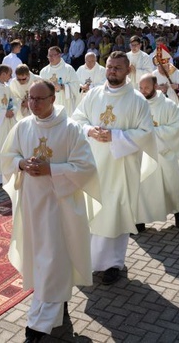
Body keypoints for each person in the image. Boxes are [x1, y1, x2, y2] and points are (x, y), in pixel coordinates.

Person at [2, 79, 98, 342]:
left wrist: (51, 170)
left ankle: (38, 325)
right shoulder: (23, 126)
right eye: (30, 98)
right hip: (32, 206)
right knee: (42, 258)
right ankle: (58, 305)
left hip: (61, 207)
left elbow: (86, 168)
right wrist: (21, 164)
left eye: (39, 99)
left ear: (53, 99)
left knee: (54, 258)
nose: (33, 103)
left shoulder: (70, 129)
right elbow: (7, 157)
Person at [71, 51, 158, 284]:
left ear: (128, 70)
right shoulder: (94, 95)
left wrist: (115, 136)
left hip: (121, 167)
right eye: (109, 67)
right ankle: (86, 260)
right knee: (92, 212)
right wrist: (90, 131)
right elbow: (77, 120)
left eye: (117, 68)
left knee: (115, 213)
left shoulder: (137, 100)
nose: (112, 71)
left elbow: (146, 134)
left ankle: (113, 263)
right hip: (93, 165)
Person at [136, 75, 179, 229]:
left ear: (155, 86)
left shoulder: (168, 105)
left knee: (172, 184)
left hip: (165, 153)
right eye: (140, 88)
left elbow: (176, 128)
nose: (143, 91)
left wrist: (151, 132)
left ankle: (178, 212)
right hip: (144, 154)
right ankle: (140, 220)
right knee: (143, 186)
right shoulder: (137, 104)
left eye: (146, 87)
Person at [40, 45, 81, 114]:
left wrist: (62, 86)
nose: (50, 58)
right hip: (49, 103)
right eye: (49, 56)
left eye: (53, 55)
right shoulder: (44, 71)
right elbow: (40, 88)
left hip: (64, 103)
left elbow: (76, 86)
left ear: (59, 55)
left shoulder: (68, 69)